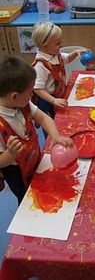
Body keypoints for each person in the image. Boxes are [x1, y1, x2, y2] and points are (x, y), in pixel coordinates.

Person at [0, 56, 73, 205]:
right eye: (29, 93)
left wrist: (55, 136)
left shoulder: (22, 104)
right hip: (17, 173)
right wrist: (10, 154)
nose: (32, 96)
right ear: (14, 96)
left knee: (42, 186)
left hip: (35, 158)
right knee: (28, 200)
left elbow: (44, 118)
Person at [31, 21, 89, 123]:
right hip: (47, 100)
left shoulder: (55, 54)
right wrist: (53, 100)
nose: (61, 45)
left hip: (59, 95)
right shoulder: (40, 65)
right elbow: (37, 89)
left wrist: (75, 53)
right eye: (57, 43)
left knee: (61, 120)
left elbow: (66, 59)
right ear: (45, 46)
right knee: (50, 122)